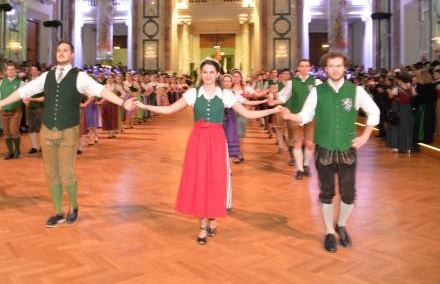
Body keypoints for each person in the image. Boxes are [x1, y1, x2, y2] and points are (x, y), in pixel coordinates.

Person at [0, 41, 136, 227]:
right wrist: (0, 104)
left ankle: (73, 207)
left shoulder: (79, 76)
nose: (61, 53)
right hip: (47, 130)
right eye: (58, 50)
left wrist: (122, 102)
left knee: (67, 174)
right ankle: (58, 211)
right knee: (51, 174)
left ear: (72, 55)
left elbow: (100, 90)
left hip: (68, 131)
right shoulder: (46, 76)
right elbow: (24, 90)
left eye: (65, 50)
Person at [135, 59, 281, 245]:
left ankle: (213, 218)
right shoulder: (193, 93)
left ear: (218, 74)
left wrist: (273, 110)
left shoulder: (226, 94)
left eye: (212, 72)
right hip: (197, 141)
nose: (208, 75)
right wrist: (145, 106)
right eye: (205, 72)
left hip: (217, 140)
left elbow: (248, 114)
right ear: (201, 74)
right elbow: (170, 109)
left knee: (215, 179)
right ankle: (203, 226)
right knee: (199, 180)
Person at [280, 51, 380, 252]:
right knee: (327, 193)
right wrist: (291, 116)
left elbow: (374, 111)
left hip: (347, 149)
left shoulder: (356, 91)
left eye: (339, 66)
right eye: (331, 66)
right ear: (325, 69)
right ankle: (328, 231)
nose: (335, 69)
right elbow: (306, 115)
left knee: (349, 194)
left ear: (345, 68)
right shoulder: (318, 91)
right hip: (324, 149)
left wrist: (366, 135)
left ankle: (341, 225)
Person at [269, 59, 323, 178]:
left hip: (312, 117)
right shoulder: (292, 82)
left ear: (310, 68)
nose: (304, 68)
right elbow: (284, 97)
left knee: (309, 144)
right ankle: (299, 169)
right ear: (298, 68)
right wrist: (273, 102)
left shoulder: (317, 82)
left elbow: (323, 99)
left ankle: (306, 164)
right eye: (302, 66)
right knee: (297, 143)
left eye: (306, 66)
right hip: (294, 116)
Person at [0, 62, 24, 159]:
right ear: (6, 71)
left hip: (16, 110)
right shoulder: (2, 81)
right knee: (7, 132)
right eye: (9, 70)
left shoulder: (20, 82)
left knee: (14, 131)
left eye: (12, 69)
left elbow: (23, 95)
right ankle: (10, 152)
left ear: (16, 71)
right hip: (4, 110)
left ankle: (17, 150)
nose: (10, 71)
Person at [24, 64, 44, 154]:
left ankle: (43, 146)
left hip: (40, 106)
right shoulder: (27, 81)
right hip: (29, 107)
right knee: (31, 126)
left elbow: (45, 95)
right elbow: (24, 93)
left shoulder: (42, 81)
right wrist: (25, 102)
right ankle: (34, 147)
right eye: (32, 69)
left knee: (42, 127)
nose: (33, 71)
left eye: (35, 69)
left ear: (39, 71)